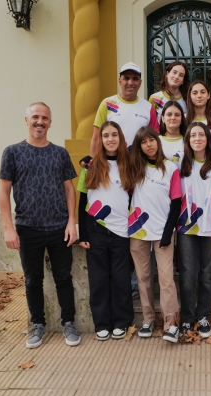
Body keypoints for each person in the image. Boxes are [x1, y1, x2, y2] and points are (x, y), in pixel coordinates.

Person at [0, 102, 81, 349]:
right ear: (26, 120)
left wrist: (72, 222)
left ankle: (68, 322)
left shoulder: (59, 153)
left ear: (50, 123)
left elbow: (69, 190)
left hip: (58, 228)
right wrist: (8, 228)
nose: (40, 122)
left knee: (63, 278)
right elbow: (3, 192)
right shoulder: (12, 152)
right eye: (35, 117)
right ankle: (38, 325)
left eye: (45, 118)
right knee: (32, 280)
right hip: (27, 228)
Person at [77, 121, 135, 341]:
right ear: (100, 140)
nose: (110, 139)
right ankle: (102, 323)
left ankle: (122, 321)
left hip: (121, 230)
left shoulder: (127, 164)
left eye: (114, 135)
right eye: (105, 136)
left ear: (120, 139)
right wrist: (83, 234)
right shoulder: (90, 167)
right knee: (99, 279)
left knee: (121, 278)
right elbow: (82, 200)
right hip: (96, 229)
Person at [128, 127, 182, 343]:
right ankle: (149, 319)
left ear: (158, 143)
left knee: (167, 278)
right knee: (143, 278)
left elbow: (176, 201)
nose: (149, 145)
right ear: (139, 146)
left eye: (152, 140)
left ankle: (171, 323)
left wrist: (169, 231)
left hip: (163, 231)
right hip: (138, 230)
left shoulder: (170, 168)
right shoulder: (134, 167)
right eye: (144, 142)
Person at [178, 122, 211, 338]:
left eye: (202, 135)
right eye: (193, 135)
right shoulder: (180, 163)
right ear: (188, 140)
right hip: (186, 227)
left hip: (210, 228)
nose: (197, 138)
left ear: (208, 139)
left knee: (208, 275)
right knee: (188, 275)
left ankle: (203, 316)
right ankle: (187, 319)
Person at [90, 62, 159, 155]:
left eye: (135, 79)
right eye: (126, 78)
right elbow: (95, 138)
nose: (130, 82)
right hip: (113, 163)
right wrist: (94, 164)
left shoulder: (148, 107)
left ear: (140, 82)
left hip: (140, 164)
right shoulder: (107, 104)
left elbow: (155, 138)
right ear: (120, 81)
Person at [185, 80, 211, 155]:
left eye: (203, 92)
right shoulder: (183, 119)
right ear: (190, 96)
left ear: (208, 95)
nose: (199, 96)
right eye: (195, 93)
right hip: (187, 164)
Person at [159, 100, 187, 169]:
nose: (173, 118)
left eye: (177, 115)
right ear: (163, 118)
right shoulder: (157, 141)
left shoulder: (188, 140)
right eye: (169, 115)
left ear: (181, 119)